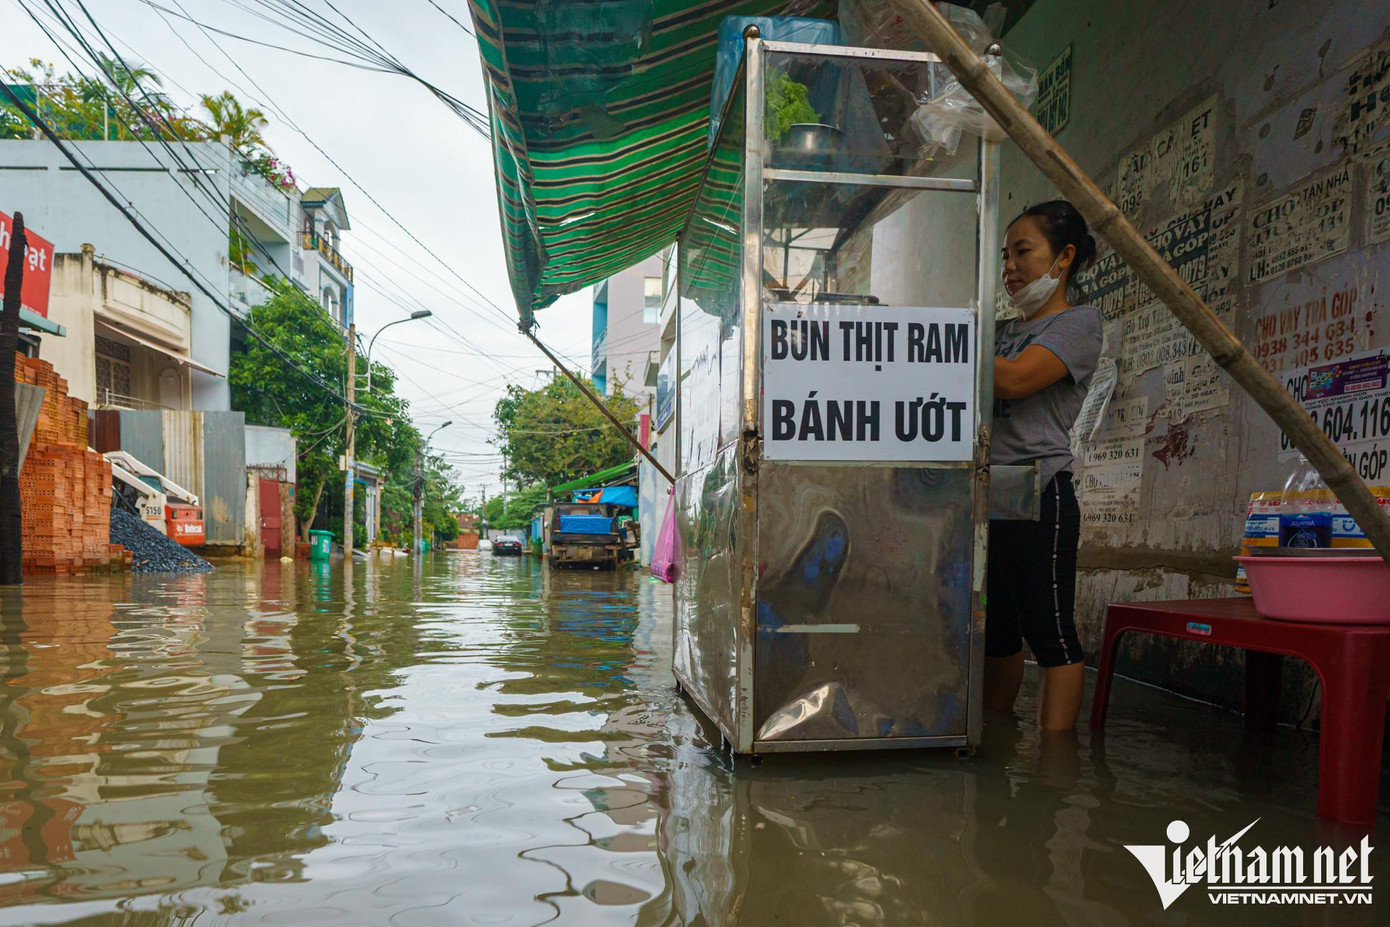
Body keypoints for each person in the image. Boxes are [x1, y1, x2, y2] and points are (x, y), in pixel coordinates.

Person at [987, 200, 1102, 730]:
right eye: (1005, 256)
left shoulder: (1078, 323)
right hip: (989, 492)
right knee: (997, 630)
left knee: (1050, 633)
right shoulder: (999, 333)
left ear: (1064, 257)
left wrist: (946, 341)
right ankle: (997, 737)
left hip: (1039, 490)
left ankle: (1056, 763)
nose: (1009, 266)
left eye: (1022, 252)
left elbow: (1014, 381)